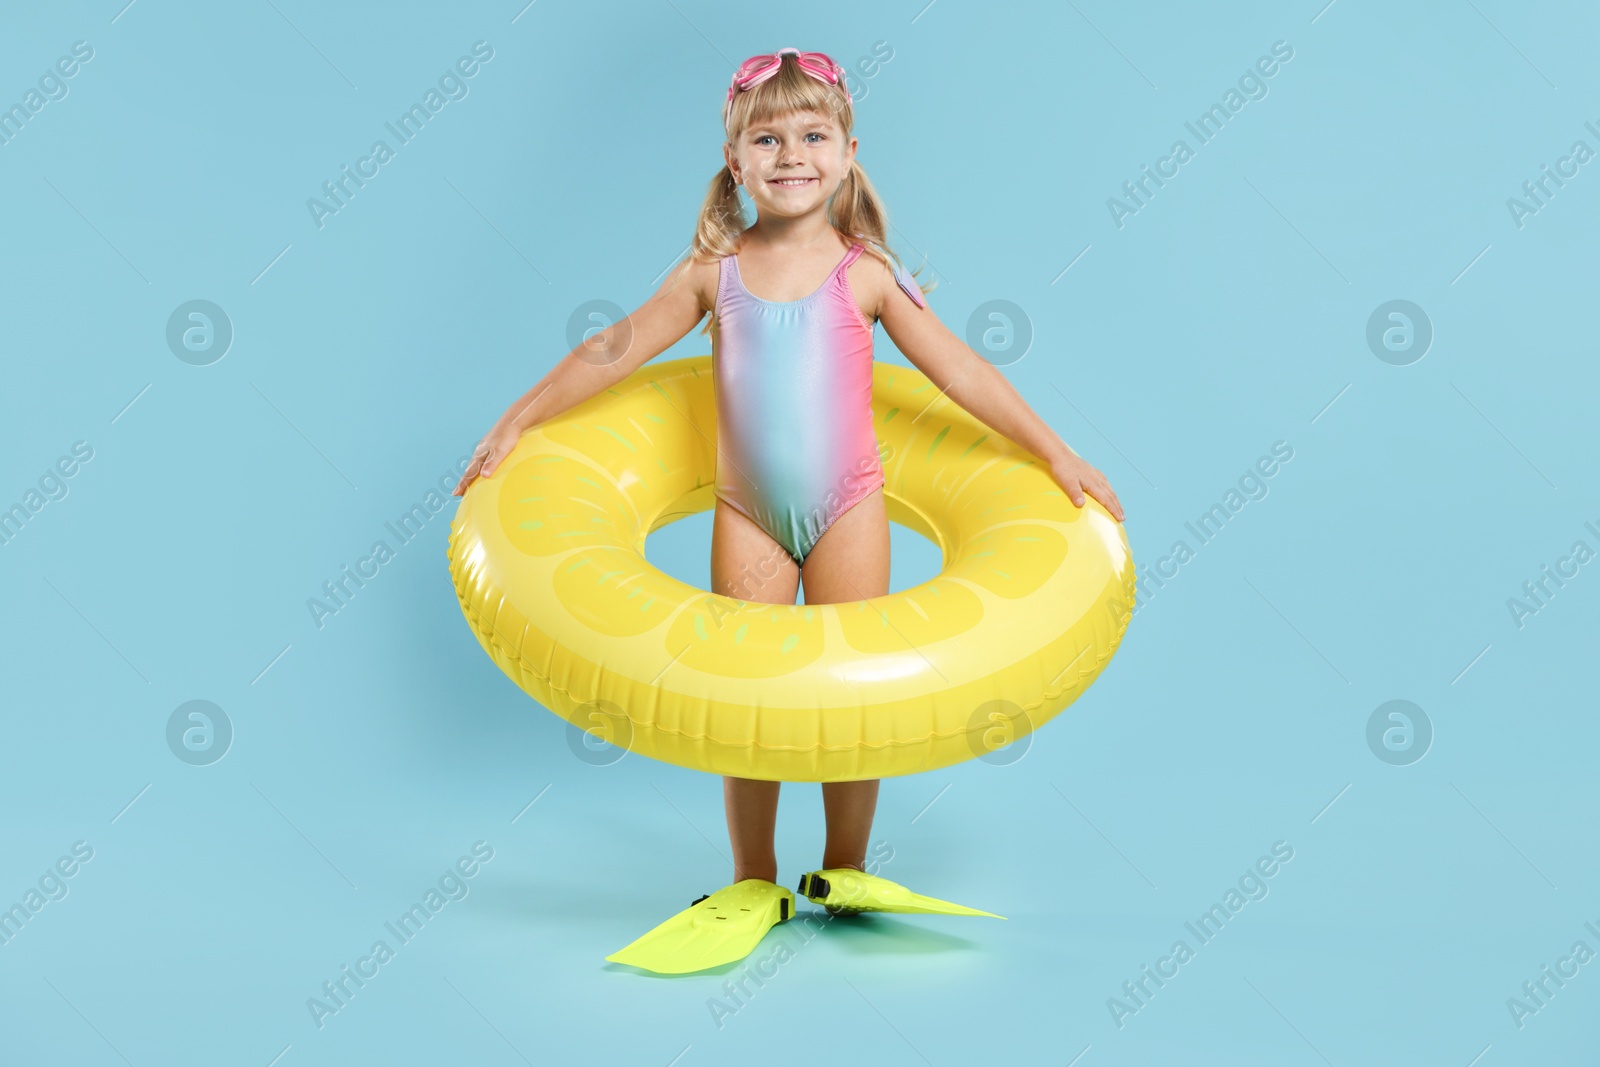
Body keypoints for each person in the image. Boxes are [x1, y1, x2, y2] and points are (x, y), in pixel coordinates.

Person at [452, 48, 1124, 973]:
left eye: (813, 136)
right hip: (751, 512)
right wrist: (516, 419)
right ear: (736, 163)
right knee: (748, 699)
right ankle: (752, 875)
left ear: (849, 152)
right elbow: (614, 349)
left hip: (849, 504)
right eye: (767, 139)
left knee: (855, 699)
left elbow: (960, 369)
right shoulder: (711, 271)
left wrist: (1056, 449)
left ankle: (841, 869)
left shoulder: (868, 275)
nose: (791, 154)